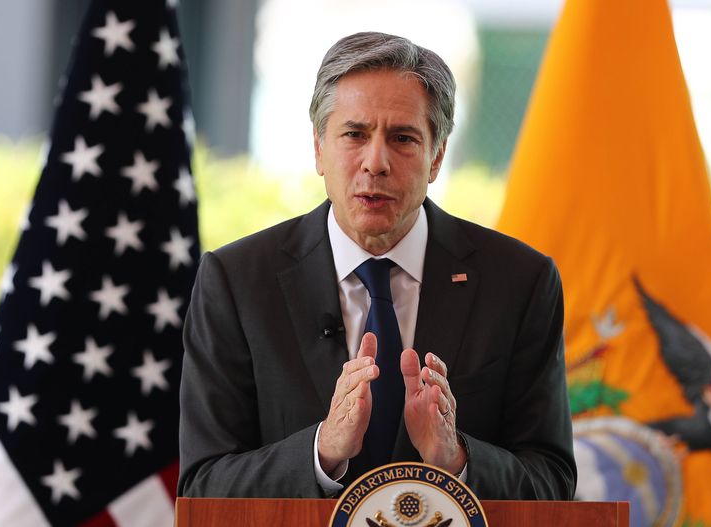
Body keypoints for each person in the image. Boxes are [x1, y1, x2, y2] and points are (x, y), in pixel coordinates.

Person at [178, 31, 576, 500]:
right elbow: (202, 486)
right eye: (355, 135)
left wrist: (456, 460)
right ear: (318, 148)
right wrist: (321, 452)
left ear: (437, 156)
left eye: (403, 138)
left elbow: (552, 481)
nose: (376, 162)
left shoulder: (519, 282)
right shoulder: (237, 282)